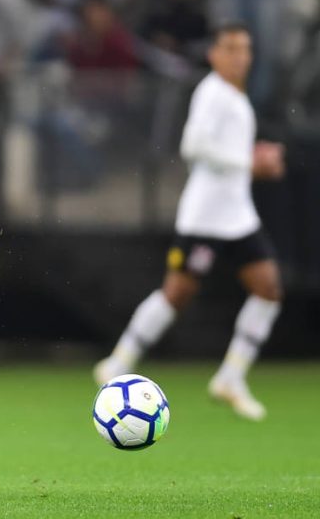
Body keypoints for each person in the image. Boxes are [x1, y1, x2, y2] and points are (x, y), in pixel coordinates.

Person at [94, 24, 286, 421]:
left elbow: (226, 152)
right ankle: (118, 361)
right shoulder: (212, 91)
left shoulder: (235, 96)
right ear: (214, 55)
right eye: (230, 48)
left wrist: (254, 156)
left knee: (268, 289)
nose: (239, 56)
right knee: (177, 293)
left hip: (237, 215)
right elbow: (193, 146)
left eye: (245, 49)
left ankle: (231, 376)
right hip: (205, 217)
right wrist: (250, 161)